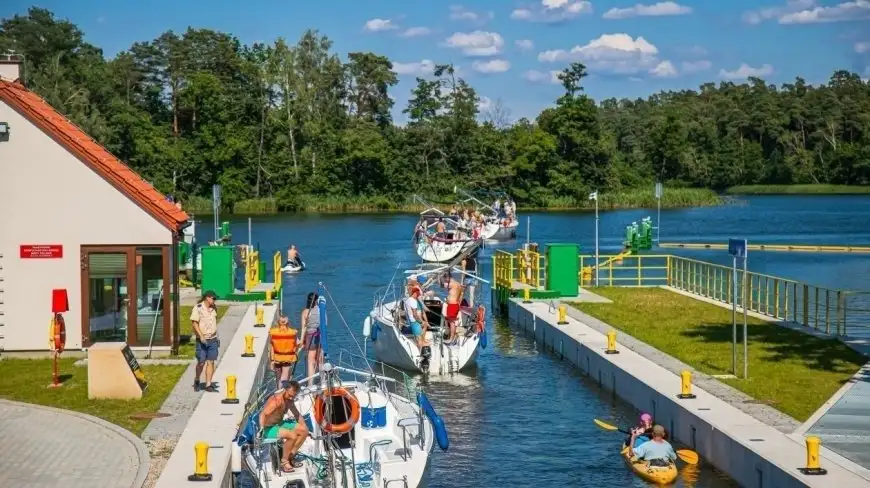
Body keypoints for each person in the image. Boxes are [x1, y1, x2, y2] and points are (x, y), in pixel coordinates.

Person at [259, 380, 309, 473]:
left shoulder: (289, 400)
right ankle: (284, 462)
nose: (291, 398)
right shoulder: (276, 401)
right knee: (292, 436)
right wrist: (261, 428)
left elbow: (296, 414)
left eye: (293, 396)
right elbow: (263, 414)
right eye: (290, 395)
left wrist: (305, 426)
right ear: (285, 389)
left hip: (280, 423)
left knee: (304, 431)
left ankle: (290, 455)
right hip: (268, 428)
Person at [191, 290, 220, 392]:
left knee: (211, 362)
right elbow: (194, 323)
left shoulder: (214, 309)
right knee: (201, 362)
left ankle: (208, 384)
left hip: (213, 339)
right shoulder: (198, 308)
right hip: (202, 340)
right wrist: (201, 336)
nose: (215, 300)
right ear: (207, 298)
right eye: (213, 298)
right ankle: (197, 379)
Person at [299, 292, 322, 388]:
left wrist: (301, 341)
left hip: (310, 336)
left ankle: (310, 383)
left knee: (310, 360)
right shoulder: (321, 310)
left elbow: (304, 328)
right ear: (317, 301)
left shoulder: (305, 312)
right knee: (320, 359)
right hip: (320, 335)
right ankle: (323, 380)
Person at [269, 315, 298, 390]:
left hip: (276, 358)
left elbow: (271, 346)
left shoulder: (273, 332)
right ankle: (281, 393)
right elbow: (298, 343)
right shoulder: (292, 332)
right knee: (284, 378)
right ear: (287, 322)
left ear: (278, 322)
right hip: (288, 358)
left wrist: (272, 360)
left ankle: (279, 390)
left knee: (278, 377)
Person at [404, 285, 430, 351]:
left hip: (412, 321)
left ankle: (423, 341)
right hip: (414, 322)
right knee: (419, 340)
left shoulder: (408, 300)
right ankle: (420, 353)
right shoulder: (413, 301)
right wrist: (421, 322)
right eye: (417, 294)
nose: (418, 296)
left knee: (424, 326)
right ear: (414, 293)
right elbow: (415, 315)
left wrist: (423, 322)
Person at [440, 272, 464, 343]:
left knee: (451, 322)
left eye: (446, 279)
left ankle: (451, 338)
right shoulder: (459, 284)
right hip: (455, 304)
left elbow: (441, 285)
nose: (445, 281)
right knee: (452, 322)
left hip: (452, 305)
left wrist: (439, 276)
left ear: (448, 278)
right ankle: (453, 337)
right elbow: (460, 295)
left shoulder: (452, 284)